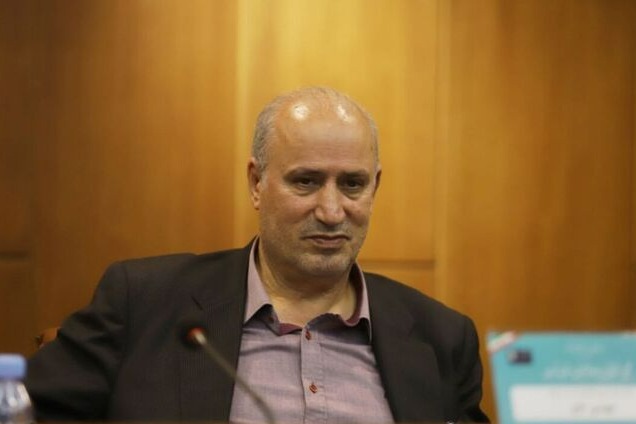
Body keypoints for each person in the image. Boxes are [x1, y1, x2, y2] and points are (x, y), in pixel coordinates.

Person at [25, 87, 489, 423]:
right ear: (256, 183)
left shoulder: (442, 339)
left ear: (375, 187)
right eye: (305, 182)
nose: (332, 212)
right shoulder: (146, 303)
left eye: (352, 185)